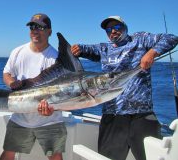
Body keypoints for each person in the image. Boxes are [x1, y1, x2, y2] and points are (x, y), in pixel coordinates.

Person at [70, 16, 178, 160]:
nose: (113, 31)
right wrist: (77, 48)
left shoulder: (140, 39)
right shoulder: (103, 48)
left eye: (117, 27)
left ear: (125, 27)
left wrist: (152, 53)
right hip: (113, 115)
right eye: (109, 29)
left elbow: (171, 38)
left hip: (142, 114)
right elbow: (84, 49)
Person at [0, 13, 67, 160]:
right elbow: (6, 73)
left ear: (49, 31)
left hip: (50, 119)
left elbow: (62, 93)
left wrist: (53, 108)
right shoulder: (17, 52)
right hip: (20, 117)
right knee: (8, 153)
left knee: (56, 157)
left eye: (40, 27)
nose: (35, 30)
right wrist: (11, 82)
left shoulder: (56, 58)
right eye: (32, 27)